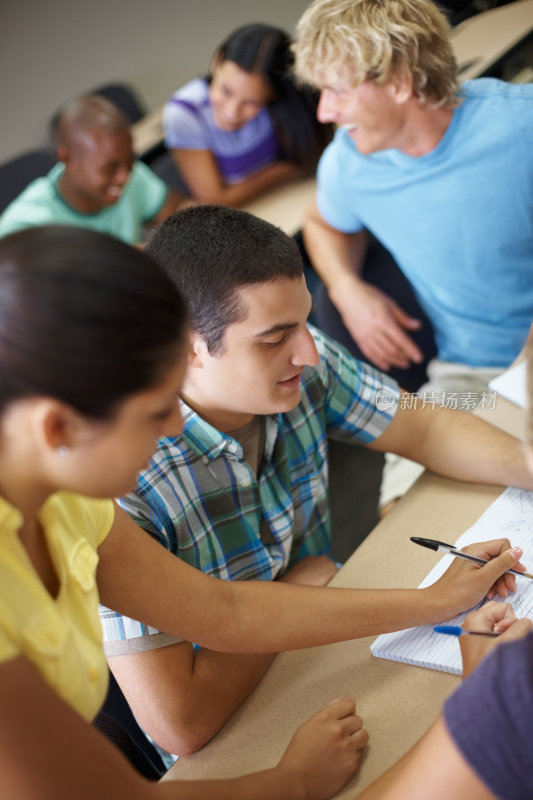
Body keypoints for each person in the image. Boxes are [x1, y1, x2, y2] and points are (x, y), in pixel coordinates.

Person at [3, 224, 522, 800]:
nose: (175, 425)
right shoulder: (102, 501)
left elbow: (222, 613)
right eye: (154, 412)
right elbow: (156, 752)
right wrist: (290, 783)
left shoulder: (73, 500)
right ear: (58, 430)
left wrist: (434, 602)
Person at [291, 0, 533, 507]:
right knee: (403, 509)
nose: (324, 111)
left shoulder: (521, 127)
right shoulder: (348, 164)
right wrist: (346, 288)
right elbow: (321, 223)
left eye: (337, 90)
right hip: (468, 378)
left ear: (400, 81)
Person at [162, 23, 333, 206]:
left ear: (275, 95)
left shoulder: (290, 104)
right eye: (226, 91)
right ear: (216, 62)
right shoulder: (184, 114)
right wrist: (287, 169)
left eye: (253, 102)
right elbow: (214, 200)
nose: (232, 112)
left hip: (296, 199)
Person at [0, 95, 186, 245]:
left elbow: (179, 216)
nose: (125, 177)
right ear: (66, 158)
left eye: (129, 162)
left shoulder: (132, 174)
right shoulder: (23, 228)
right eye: (109, 168)